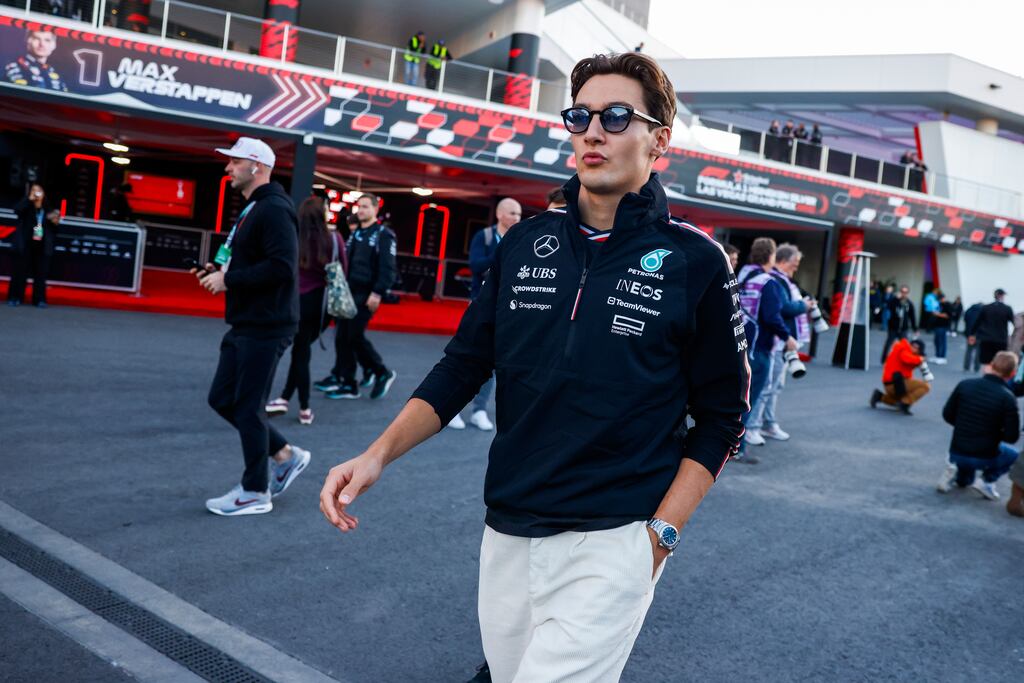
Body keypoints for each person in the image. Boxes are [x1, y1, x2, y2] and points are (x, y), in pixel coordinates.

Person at [320, 52, 749, 682]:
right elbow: (465, 364)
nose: (593, 132)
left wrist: (661, 535)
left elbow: (722, 416)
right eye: (580, 116)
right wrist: (377, 454)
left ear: (659, 139)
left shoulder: (696, 261)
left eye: (616, 116)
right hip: (508, 527)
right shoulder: (524, 244)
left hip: (616, 537)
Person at [198, 137, 310, 516]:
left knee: (248, 407)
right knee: (222, 398)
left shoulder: (274, 209)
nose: (228, 168)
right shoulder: (257, 207)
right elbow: (258, 261)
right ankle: (285, 455)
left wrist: (229, 280)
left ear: (256, 166)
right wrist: (219, 271)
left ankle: (255, 491)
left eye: (234, 162)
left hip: (267, 324)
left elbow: (282, 267)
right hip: (249, 321)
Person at [265, 196, 347, 426]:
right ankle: (296, 404)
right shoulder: (334, 238)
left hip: (294, 302)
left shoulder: (293, 237)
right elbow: (343, 270)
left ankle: (296, 404)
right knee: (301, 352)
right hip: (321, 306)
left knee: (300, 352)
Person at [449, 197, 522, 431]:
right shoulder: (486, 237)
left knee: (494, 360)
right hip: (480, 303)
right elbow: (475, 265)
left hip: (507, 306)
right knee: (467, 356)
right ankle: (451, 409)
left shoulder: (522, 238)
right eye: (513, 213)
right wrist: (503, 252)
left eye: (519, 214)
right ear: (500, 214)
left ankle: (479, 410)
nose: (517, 218)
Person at [319, 193, 398, 400]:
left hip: (367, 294)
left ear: (375, 209)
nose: (361, 210)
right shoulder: (356, 233)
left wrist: (377, 293)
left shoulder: (384, 234)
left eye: (365, 207)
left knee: (354, 336)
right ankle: (347, 383)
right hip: (347, 292)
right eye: (359, 207)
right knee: (342, 337)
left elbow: (388, 268)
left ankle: (381, 371)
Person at [733, 237, 798, 461]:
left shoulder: (742, 276)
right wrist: (787, 337)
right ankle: (738, 448)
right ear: (771, 256)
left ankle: (727, 444)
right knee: (748, 400)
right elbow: (772, 317)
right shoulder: (767, 282)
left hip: (739, 343)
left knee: (735, 397)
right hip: (759, 348)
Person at [745, 243, 811, 445]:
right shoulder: (772, 281)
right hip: (765, 343)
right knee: (763, 387)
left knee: (770, 386)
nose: (796, 267)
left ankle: (764, 424)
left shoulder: (749, 276)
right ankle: (749, 431)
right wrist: (803, 307)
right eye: (795, 262)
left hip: (760, 342)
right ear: (776, 258)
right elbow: (778, 312)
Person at [936, 351, 1020, 500]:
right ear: (1012, 373)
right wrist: (994, 432)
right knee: (1014, 455)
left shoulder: (965, 385)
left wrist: (963, 424)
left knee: (965, 481)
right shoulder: (1008, 398)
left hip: (957, 450)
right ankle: (987, 480)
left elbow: (947, 415)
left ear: (991, 365)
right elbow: (1012, 437)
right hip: (985, 454)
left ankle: (954, 470)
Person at [7, 182, 60, 308]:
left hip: (41, 246)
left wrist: (55, 221)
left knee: (41, 274)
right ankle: (15, 297)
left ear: (43, 193)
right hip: (25, 244)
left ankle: (39, 299)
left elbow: (54, 229)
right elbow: (17, 210)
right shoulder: (26, 206)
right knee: (20, 272)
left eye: (39, 190)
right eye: (34, 190)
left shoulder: (48, 209)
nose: (36, 193)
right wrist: (29, 199)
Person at [870, 338, 930, 415]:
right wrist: (920, 358)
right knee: (925, 386)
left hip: (892, 384)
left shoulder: (905, 349)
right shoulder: (903, 349)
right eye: (913, 346)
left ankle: (879, 396)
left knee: (898, 402)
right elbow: (905, 358)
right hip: (895, 383)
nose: (914, 349)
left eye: (916, 348)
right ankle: (905, 403)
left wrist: (919, 360)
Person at [968, 289, 1014, 371]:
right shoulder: (1007, 309)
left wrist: (972, 334)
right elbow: (1015, 323)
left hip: (986, 339)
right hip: (1001, 340)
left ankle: (987, 376)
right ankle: (995, 375)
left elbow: (977, 322)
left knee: (986, 362)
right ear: (1001, 296)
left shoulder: (986, 308)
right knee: (999, 362)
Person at [880, 284, 917, 363]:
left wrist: (915, 328)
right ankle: (884, 359)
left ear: (908, 293)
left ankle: (904, 360)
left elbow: (912, 316)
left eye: (906, 292)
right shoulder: (894, 301)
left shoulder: (909, 304)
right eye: (902, 292)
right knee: (888, 343)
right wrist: (895, 299)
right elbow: (888, 306)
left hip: (903, 328)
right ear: (900, 292)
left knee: (905, 345)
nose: (904, 294)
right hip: (893, 327)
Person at [927, 290, 951, 364]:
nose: (939, 301)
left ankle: (942, 357)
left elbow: (948, 315)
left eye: (940, 299)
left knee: (941, 341)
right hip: (937, 325)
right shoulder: (939, 304)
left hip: (943, 326)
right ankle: (937, 355)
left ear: (943, 298)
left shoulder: (947, 305)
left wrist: (937, 314)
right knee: (936, 341)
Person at [962, 300, 983, 372]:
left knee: (969, 351)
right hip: (980, 334)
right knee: (978, 352)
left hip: (970, 334)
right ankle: (976, 367)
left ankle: (966, 366)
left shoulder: (970, 310)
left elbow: (965, 319)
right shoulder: (983, 311)